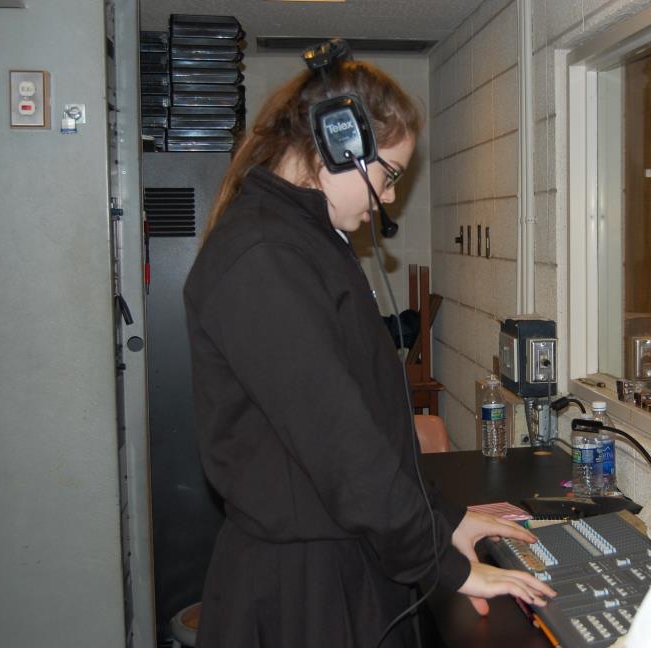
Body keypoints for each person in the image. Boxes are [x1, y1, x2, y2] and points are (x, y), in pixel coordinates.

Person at [183, 54, 555, 648]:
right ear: (337, 146)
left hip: (340, 559)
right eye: (388, 176)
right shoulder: (263, 257)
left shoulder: (304, 243)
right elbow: (340, 445)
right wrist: (446, 564)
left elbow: (373, 424)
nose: (385, 199)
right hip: (305, 591)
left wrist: (446, 520)